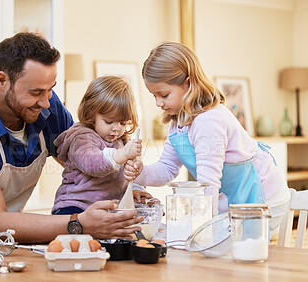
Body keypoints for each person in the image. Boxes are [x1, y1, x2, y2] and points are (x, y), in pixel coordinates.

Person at [0, 32, 143, 245]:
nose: (46, 101)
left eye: (50, 88)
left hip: (11, 230)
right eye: (36, 92)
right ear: (2, 81)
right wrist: (79, 222)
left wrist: (128, 188)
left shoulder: (48, 109)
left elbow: (86, 163)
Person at [124, 42, 290, 236]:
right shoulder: (178, 123)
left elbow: (208, 183)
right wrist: (139, 172)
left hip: (263, 199)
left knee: (238, 254)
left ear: (188, 83)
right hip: (235, 200)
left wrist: (201, 231)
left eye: (164, 94)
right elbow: (166, 169)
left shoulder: (208, 121)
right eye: (154, 96)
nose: (158, 103)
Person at [52, 76, 148, 215]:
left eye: (122, 123)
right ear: (91, 115)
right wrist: (123, 154)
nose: (116, 129)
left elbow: (129, 175)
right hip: (76, 207)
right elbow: (92, 163)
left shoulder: (123, 141)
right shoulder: (81, 138)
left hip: (110, 209)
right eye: (109, 122)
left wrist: (136, 187)